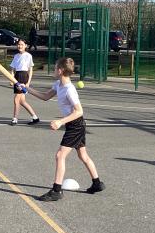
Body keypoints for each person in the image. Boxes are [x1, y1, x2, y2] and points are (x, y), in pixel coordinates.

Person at [21, 57, 104, 201]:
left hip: (75, 125)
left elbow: (79, 111)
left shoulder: (69, 89)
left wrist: (60, 121)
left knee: (60, 155)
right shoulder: (58, 84)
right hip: (74, 125)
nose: (53, 70)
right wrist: (27, 88)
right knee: (83, 156)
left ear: (60, 71)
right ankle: (97, 183)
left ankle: (56, 191)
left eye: (54, 68)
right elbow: (45, 96)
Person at [9, 39, 40, 126]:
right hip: (17, 77)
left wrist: (28, 82)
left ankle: (15, 119)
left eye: (22, 44)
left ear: (25, 46)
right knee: (22, 101)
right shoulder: (16, 56)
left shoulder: (28, 56)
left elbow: (30, 70)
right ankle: (35, 117)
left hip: (24, 77)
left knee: (16, 99)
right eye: (18, 44)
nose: (20, 46)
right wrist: (11, 79)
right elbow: (12, 69)